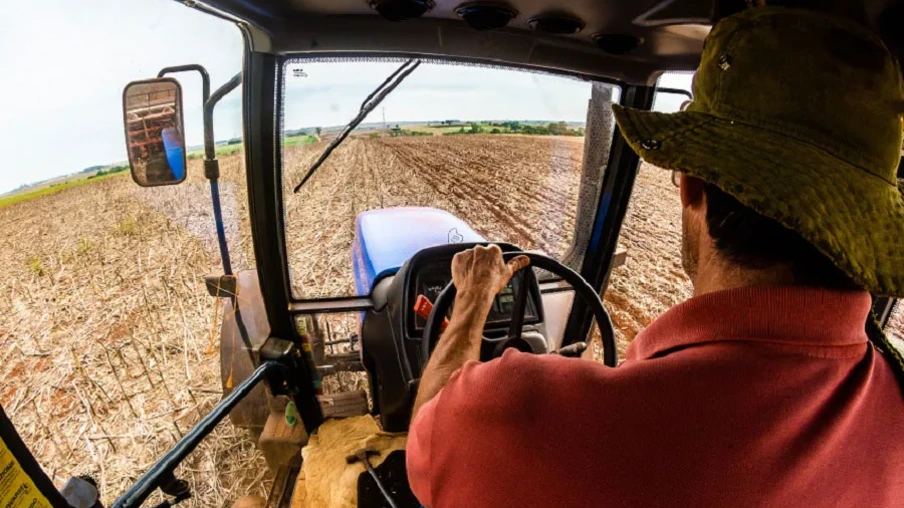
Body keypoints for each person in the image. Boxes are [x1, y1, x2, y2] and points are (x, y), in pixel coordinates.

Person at [407, 6, 904, 507]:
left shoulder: (528, 413)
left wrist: (472, 300)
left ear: (691, 184)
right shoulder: (894, 404)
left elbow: (425, 448)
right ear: (867, 229)